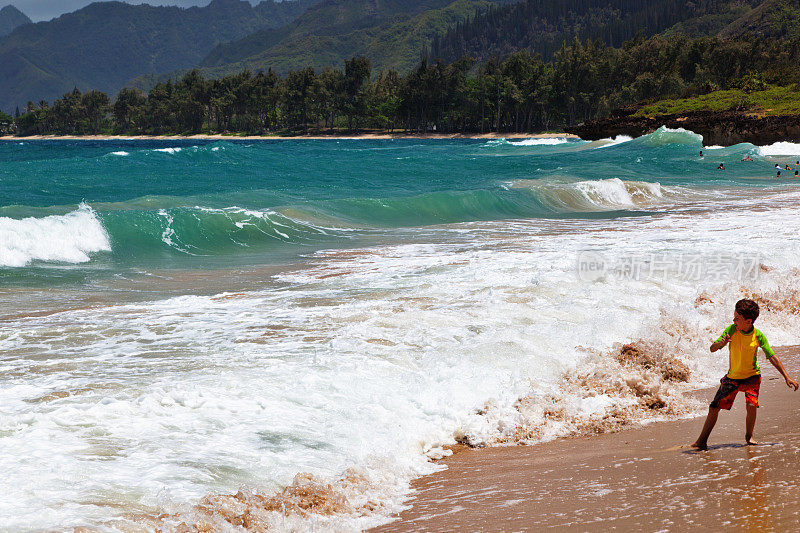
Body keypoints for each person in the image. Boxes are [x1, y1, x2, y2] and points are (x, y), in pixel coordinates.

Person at [691, 299, 798, 451]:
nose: (734, 321)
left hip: (752, 377)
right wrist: (722, 342)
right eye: (734, 317)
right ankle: (701, 440)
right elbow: (712, 348)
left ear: (748, 321)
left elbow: (772, 356)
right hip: (732, 378)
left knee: (751, 405)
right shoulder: (731, 330)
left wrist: (787, 377)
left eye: (737, 319)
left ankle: (749, 436)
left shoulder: (758, 335)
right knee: (714, 407)